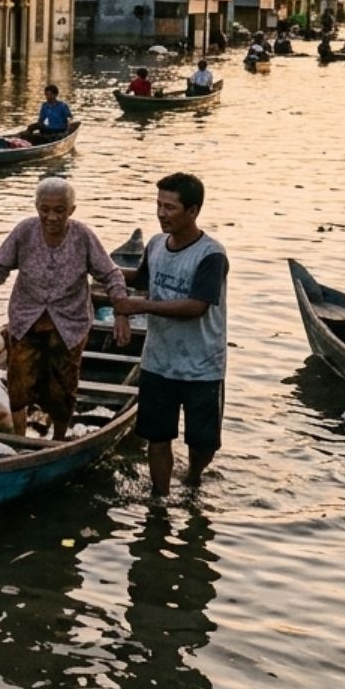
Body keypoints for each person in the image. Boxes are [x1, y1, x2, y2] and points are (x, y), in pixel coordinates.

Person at [0, 179, 130, 441]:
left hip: (69, 325)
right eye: (44, 209)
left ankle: (58, 440)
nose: (51, 217)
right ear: (36, 207)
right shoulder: (25, 231)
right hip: (27, 320)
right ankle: (20, 440)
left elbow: (111, 274)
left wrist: (121, 311)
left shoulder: (83, 236)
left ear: (72, 209)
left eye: (59, 210)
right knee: (19, 385)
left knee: (63, 389)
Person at [113, 172, 228, 497]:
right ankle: (160, 497)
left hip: (202, 365)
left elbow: (197, 307)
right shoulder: (155, 244)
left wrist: (140, 307)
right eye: (159, 205)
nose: (162, 214)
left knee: (203, 443)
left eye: (170, 207)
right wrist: (101, 270)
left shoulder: (210, 255)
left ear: (192, 211)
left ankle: (193, 477)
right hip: (158, 361)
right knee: (158, 436)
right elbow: (140, 280)